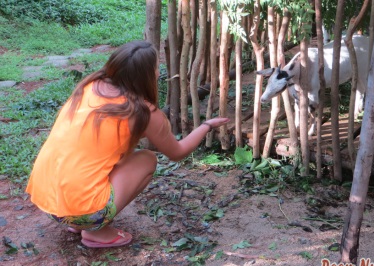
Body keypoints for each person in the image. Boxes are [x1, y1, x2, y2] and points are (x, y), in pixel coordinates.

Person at [25, 40, 230, 248]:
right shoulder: (142, 110)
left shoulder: (90, 85)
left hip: (47, 200)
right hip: (83, 212)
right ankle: (96, 231)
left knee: (106, 158)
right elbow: (177, 152)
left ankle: (78, 221)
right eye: (156, 68)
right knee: (147, 159)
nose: (159, 73)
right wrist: (206, 125)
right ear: (146, 76)